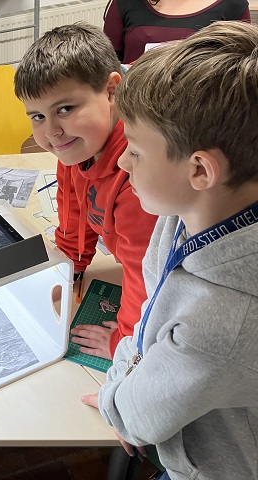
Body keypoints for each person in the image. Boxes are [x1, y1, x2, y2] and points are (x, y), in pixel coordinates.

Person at [82, 21, 258, 480]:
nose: (123, 161)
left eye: (136, 151)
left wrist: (116, 403)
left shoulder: (218, 325)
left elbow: (139, 419)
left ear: (200, 170)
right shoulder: (182, 212)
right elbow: (151, 309)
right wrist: (129, 381)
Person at [14, 23, 158, 360]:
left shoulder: (137, 175)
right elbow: (73, 208)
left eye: (65, 109)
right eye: (37, 116)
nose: (52, 131)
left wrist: (125, 342)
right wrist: (71, 263)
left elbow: (145, 270)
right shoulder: (78, 145)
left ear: (111, 91)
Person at [103, 0, 250, 64]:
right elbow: (107, 65)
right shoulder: (125, 3)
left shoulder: (233, 5)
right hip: (134, 109)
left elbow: (239, 71)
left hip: (201, 111)